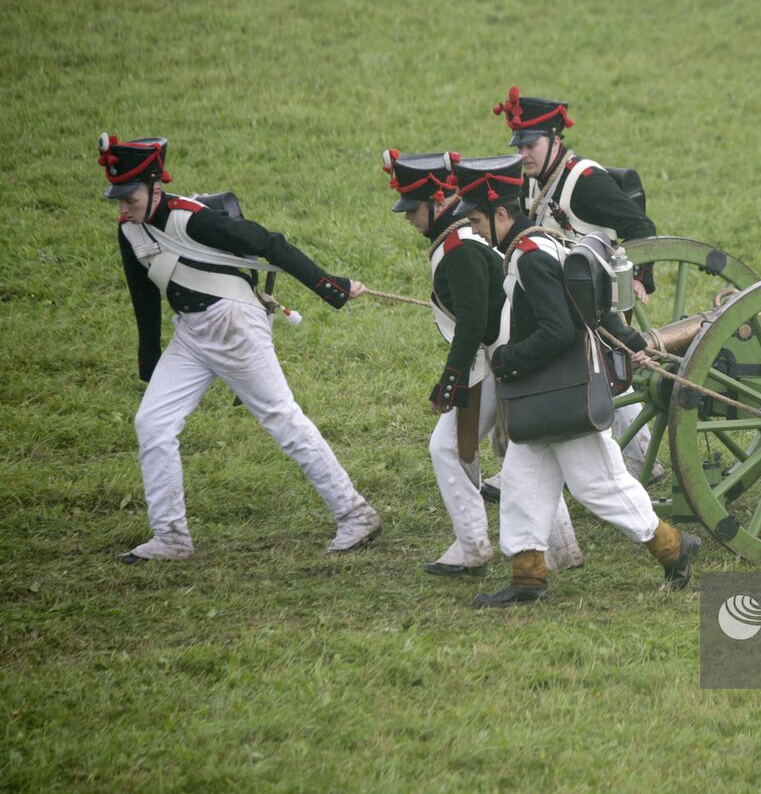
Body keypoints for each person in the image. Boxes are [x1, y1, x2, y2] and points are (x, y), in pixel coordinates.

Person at [101, 133, 380, 561]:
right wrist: (149, 360)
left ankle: (355, 513)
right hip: (190, 332)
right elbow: (143, 294)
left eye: (130, 199)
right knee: (152, 424)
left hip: (233, 324)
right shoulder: (129, 231)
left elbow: (271, 245)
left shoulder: (194, 219)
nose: (124, 209)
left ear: (155, 188)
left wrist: (332, 287)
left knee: (282, 419)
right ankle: (171, 537)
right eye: (119, 200)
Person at [454, 161, 699, 606]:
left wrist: (509, 359)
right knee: (523, 479)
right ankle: (527, 578)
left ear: (502, 215)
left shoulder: (530, 258)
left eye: (475, 221)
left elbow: (559, 330)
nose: (475, 230)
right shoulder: (546, 244)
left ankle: (675, 548)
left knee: (598, 487)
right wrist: (629, 342)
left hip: (561, 392)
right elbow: (592, 307)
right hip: (542, 396)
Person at [381, 149, 583, 575]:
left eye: (413, 208)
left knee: (451, 448)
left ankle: (474, 547)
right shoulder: (458, 239)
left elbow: (474, 322)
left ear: (437, 203)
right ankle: (561, 549)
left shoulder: (460, 248)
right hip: (497, 357)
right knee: (526, 449)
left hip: (498, 359)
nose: (407, 217)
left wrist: (450, 380)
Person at [489, 86, 658, 485]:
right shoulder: (533, 179)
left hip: (595, 294)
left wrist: (640, 275)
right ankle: (640, 456)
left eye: (530, 144)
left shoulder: (585, 181)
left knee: (608, 373)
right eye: (519, 145)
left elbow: (640, 226)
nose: (523, 154)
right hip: (559, 292)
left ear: (555, 139)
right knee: (605, 373)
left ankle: (636, 458)